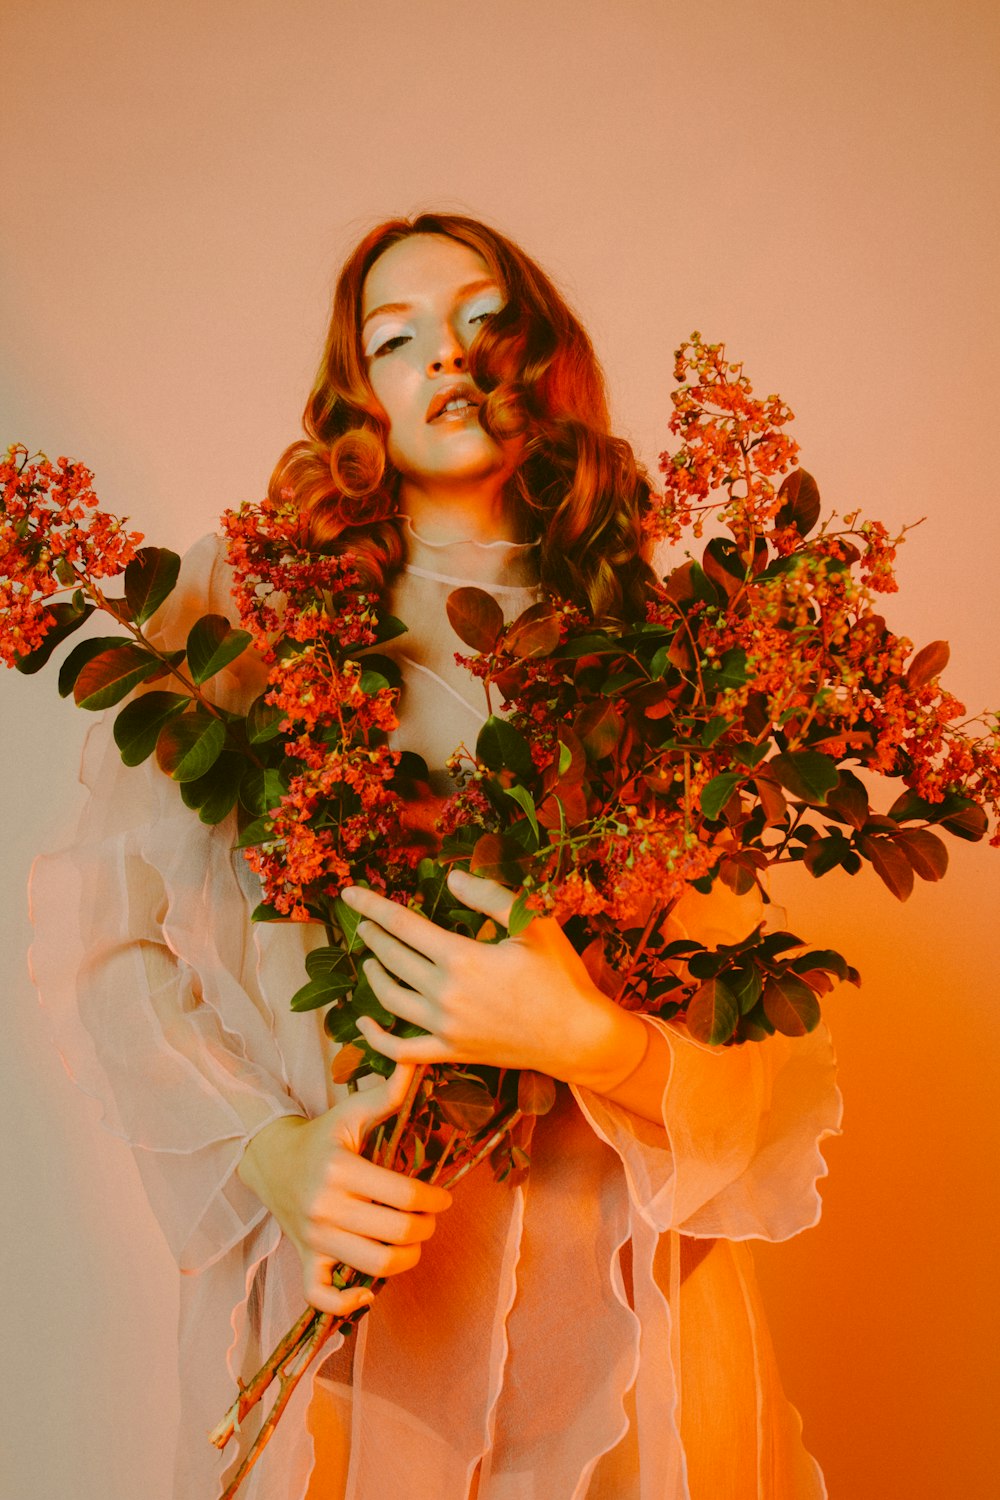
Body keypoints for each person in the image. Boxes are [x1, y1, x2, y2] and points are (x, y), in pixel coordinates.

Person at [29, 212, 842, 1499]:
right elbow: (116, 948)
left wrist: (587, 1041)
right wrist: (272, 1153)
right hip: (367, 1294)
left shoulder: (676, 643)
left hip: (622, 1308)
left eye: (483, 319)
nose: (448, 359)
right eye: (396, 338)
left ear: (544, 354)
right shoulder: (243, 604)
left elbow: (765, 1063)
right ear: (358, 395)